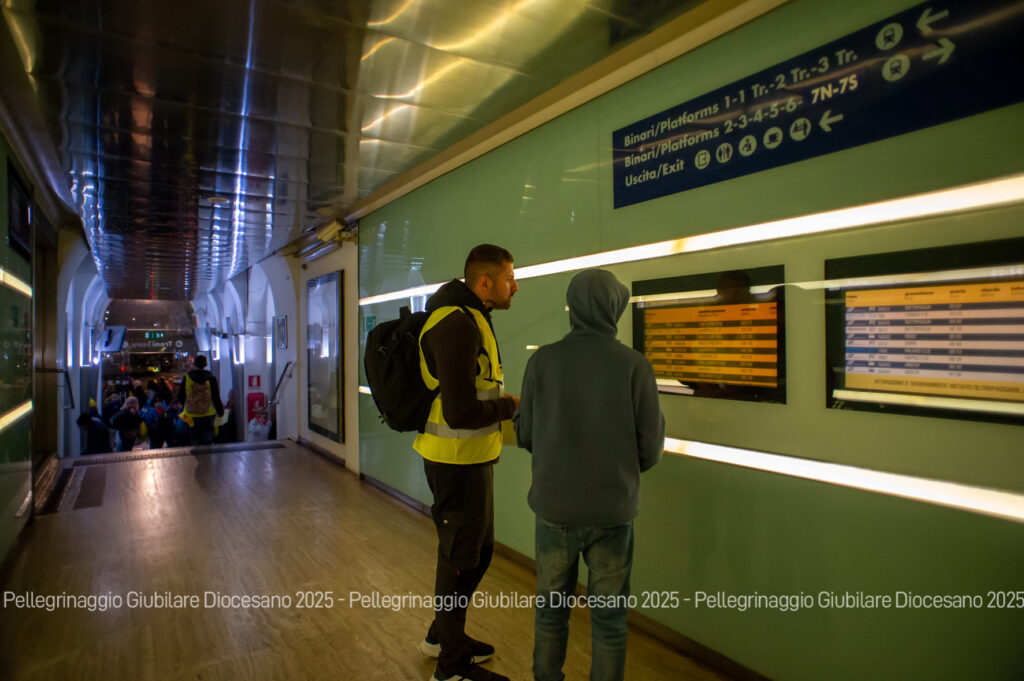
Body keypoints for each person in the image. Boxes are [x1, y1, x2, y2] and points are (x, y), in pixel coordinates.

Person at [514, 269, 665, 681]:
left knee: (550, 613)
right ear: (614, 308)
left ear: (573, 306)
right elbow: (650, 448)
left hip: (554, 509)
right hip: (612, 511)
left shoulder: (542, 361)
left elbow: (525, 434)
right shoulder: (635, 365)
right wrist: (617, 472)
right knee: (610, 621)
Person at [415, 244, 520, 681]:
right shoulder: (456, 323)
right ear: (484, 282)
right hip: (454, 461)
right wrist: (509, 407)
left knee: (475, 554)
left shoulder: (471, 317)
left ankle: (445, 636)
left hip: (472, 458)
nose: (515, 286)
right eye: (509, 278)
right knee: (459, 558)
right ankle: (451, 667)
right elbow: (459, 412)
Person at [176, 355, 224, 446]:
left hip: (191, 414)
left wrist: (185, 406)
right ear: (205, 365)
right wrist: (220, 411)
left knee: (194, 438)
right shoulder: (211, 378)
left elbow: (181, 397)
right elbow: (216, 397)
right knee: (207, 438)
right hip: (208, 413)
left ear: (194, 364)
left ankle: (196, 453)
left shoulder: (187, 378)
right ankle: (207, 454)